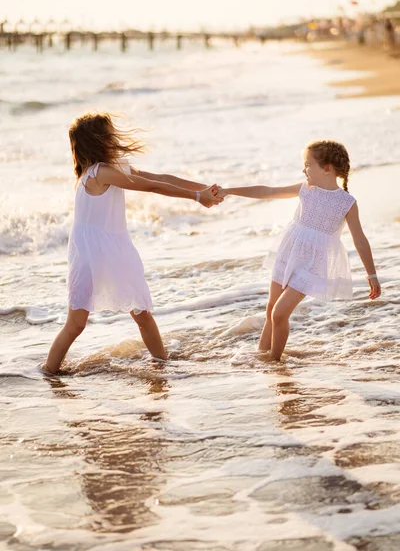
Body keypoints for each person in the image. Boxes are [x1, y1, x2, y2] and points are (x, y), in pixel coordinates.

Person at [43, 112, 223, 374]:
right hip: (96, 253)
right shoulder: (100, 173)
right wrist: (196, 197)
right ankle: (49, 371)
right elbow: (152, 187)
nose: (115, 136)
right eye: (110, 132)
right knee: (80, 322)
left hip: (102, 250)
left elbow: (162, 178)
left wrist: (206, 189)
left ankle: (161, 363)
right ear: (100, 140)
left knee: (137, 313)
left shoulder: (109, 169)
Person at [218, 140, 381, 361]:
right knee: (271, 310)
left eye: (308, 165)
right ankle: (261, 355)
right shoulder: (305, 189)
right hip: (289, 252)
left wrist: (371, 274)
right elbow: (267, 191)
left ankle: (275, 362)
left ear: (327, 168)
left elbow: (359, 239)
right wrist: (229, 190)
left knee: (280, 313)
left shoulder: (347, 203)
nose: (303, 170)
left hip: (313, 263)